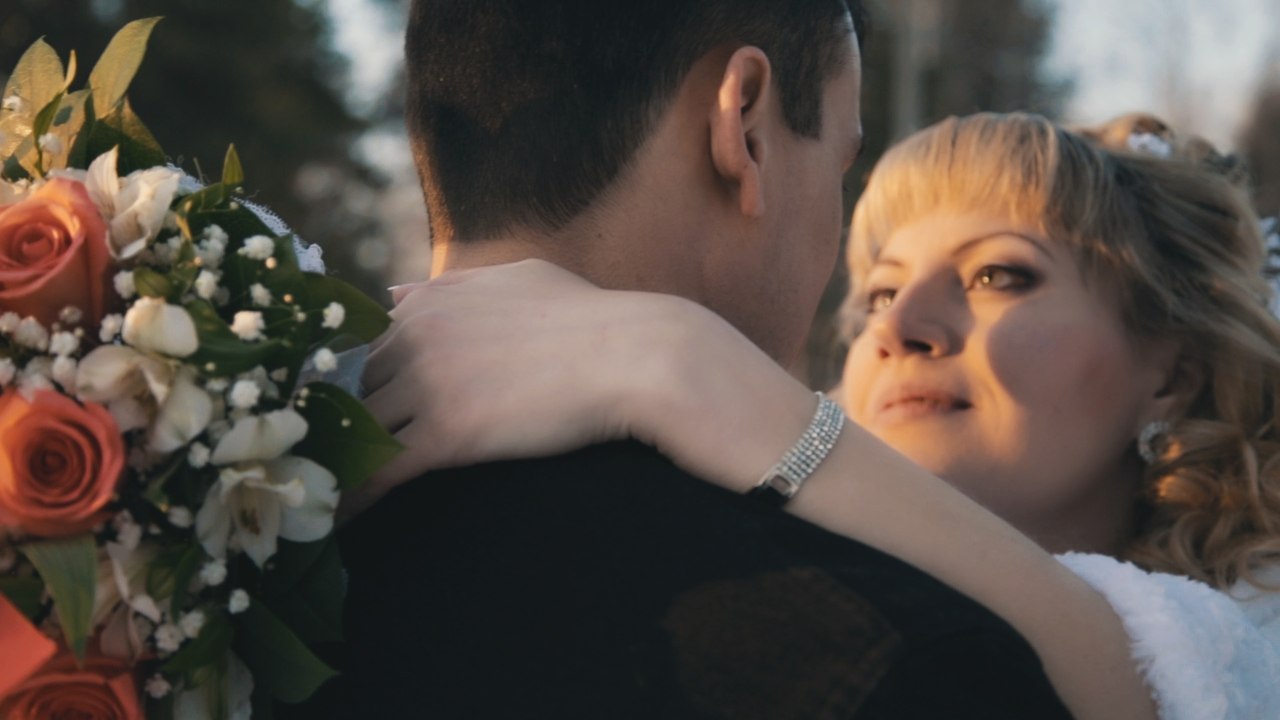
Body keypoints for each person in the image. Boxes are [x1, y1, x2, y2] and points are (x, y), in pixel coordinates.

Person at [360, 112, 1280, 718]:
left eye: (999, 275)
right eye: (877, 292)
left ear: (1173, 375)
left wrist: (690, 366)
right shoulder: (735, 602)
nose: (901, 327)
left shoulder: (1255, 647)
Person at [331, 2, 1081, 718]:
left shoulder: (283, 494)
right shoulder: (887, 655)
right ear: (745, 124)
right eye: (841, 169)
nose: (899, 327)